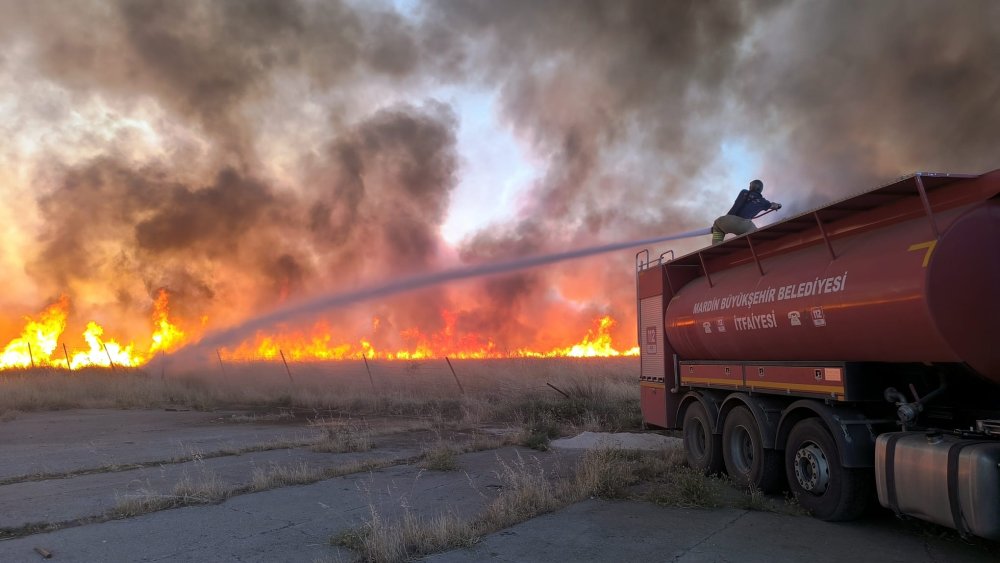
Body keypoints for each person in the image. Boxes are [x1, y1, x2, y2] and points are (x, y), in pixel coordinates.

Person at [711, 179, 781, 244]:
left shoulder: (743, 192)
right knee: (756, 234)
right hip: (743, 225)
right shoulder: (763, 201)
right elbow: (773, 205)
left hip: (727, 220)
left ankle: (716, 244)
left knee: (718, 227)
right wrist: (778, 206)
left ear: (751, 187)